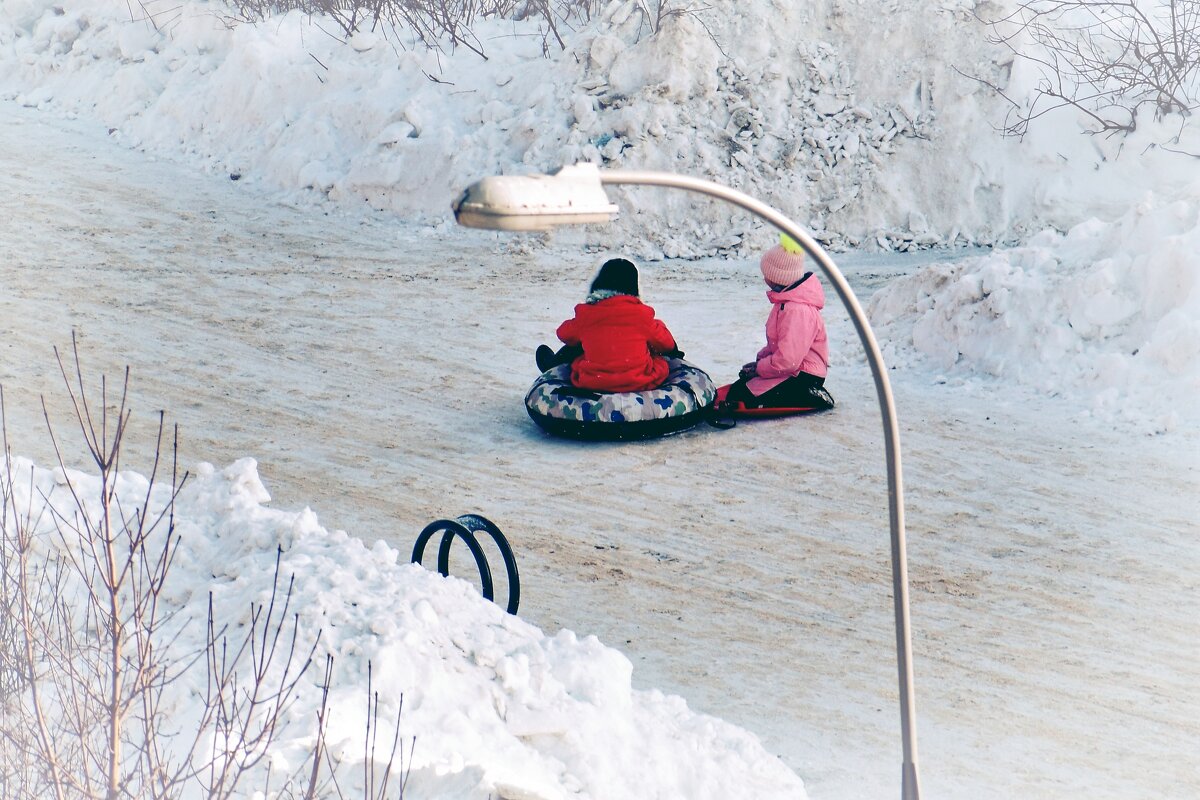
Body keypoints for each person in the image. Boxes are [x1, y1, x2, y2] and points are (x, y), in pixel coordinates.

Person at [722, 235, 834, 411]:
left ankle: (810, 394)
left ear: (778, 278)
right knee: (740, 387)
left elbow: (788, 360)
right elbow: (779, 345)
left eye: (767, 274)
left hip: (804, 375)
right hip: (790, 369)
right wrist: (759, 363)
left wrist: (760, 369)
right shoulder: (784, 303)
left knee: (744, 396)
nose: (764, 278)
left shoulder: (797, 310)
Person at [534, 258, 681, 392]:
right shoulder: (641, 315)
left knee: (579, 344)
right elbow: (666, 344)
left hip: (594, 382)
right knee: (649, 344)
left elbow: (563, 334)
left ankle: (553, 364)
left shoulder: (588, 314)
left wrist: (582, 324)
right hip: (640, 382)